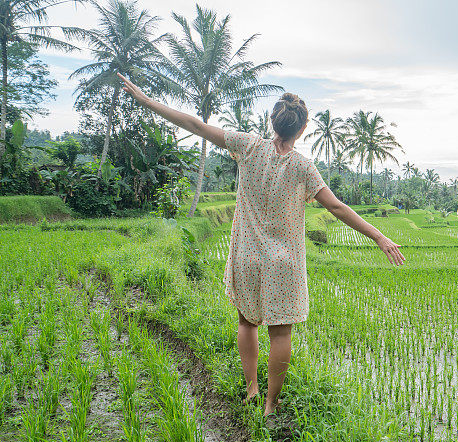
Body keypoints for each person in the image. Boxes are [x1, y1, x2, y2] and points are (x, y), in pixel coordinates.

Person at [117, 73, 405, 417]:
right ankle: (270, 405)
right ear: (302, 129)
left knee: (246, 323)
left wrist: (147, 100)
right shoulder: (304, 167)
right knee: (280, 334)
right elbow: (337, 207)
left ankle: (252, 389)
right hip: (283, 264)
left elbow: (195, 124)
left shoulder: (247, 146)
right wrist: (379, 236)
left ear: (273, 121)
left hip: (246, 256)